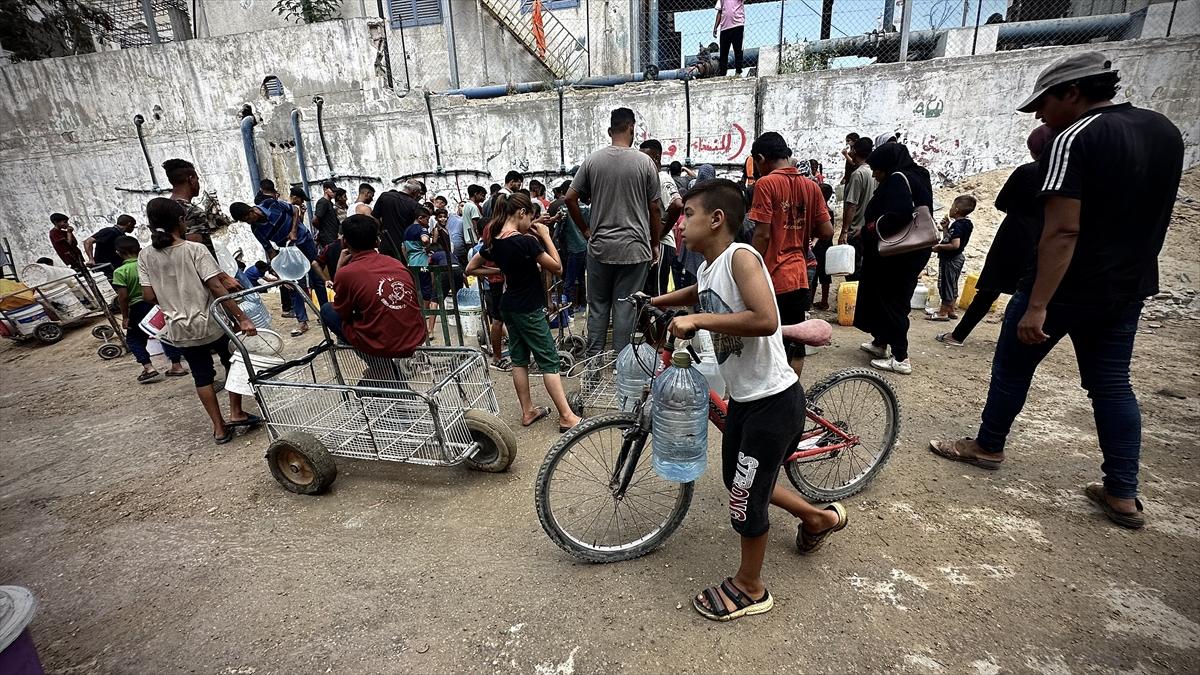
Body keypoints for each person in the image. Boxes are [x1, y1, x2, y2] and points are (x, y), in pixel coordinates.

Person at [929, 52, 1184, 530]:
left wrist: (1039, 304)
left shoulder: (1075, 137)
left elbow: (1063, 230)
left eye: (1042, 104)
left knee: (1010, 368)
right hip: (1126, 287)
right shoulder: (1164, 131)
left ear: (1072, 92)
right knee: (1111, 385)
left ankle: (988, 445)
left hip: (1065, 287)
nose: (1039, 115)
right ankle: (1122, 492)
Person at [649, 179, 848, 622]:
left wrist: (696, 319)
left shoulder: (741, 256)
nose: (680, 225)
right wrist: (658, 301)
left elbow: (764, 317)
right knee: (738, 482)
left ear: (716, 219)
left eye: (688, 215)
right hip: (745, 400)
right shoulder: (707, 268)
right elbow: (697, 295)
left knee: (745, 497)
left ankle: (751, 586)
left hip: (772, 402)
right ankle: (818, 519)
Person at [138, 198, 261, 444]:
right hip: (211, 323)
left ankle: (219, 428)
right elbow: (216, 287)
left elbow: (148, 295)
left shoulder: (145, 255)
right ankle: (235, 412)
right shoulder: (194, 250)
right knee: (232, 362)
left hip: (179, 328)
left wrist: (171, 298)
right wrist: (242, 318)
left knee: (201, 376)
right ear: (181, 221)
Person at [466, 192, 581, 433]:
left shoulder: (495, 240)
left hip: (508, 306)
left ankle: (527, 410)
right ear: (521, 213)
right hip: (528, 309)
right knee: (549, 361)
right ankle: (567, 417)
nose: (532, 222)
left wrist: (501, 269)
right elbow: (557, 267)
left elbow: (471, 268)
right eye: (530, 217)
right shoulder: (526, 242)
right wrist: (547, 237)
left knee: (519, 359)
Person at [937, 126, 1056, 346]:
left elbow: (1001, 202)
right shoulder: (1062, 173)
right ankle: (1025, 341)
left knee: (989, 290)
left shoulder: (1026, 172)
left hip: (1013, 236)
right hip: (1046, 236)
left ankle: (958, 336)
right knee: (1031, 292)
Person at [566, 108, 662, 357]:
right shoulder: (645, 163)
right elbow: (655, 208)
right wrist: (654, 243)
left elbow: (570, 197)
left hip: (600, 248)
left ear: (610, 131)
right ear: (632, 128)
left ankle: (594, 363)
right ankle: (621, 365)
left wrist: (586, 230)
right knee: (625, 308)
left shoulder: (593, 161)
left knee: (597, 306)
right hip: (634, 249)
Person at [747, 132, 833, 377]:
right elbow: (826, 230)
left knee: (769, 341)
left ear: (761, 158)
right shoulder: (811, 186)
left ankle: (773, 395)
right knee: (795, 344)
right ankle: (791, 392)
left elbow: (762, 234)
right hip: (800, 274)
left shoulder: (766, 184)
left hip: (773, 276)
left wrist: (749, 267)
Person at [853, 143, 935, 376]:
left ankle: (901, 357)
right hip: (910, 251)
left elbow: (898, 215)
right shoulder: (918, 175)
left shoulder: (899, 179)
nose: (876, 175)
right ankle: (880, 342)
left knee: (893, 301)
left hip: (899, 254)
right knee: (884, 297)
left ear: (887, 165)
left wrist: (869, 228)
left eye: (878, 170)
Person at [318, 215, 426, 358]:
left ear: (344, 242)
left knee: (327, 309)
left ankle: (382, 368)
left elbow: (342, 311)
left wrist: (339, 269)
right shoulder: (396, 264)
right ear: (377, 241)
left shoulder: (346, 274)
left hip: (383, 345)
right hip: (416, 338)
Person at [229, 198, 321, 336]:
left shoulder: (271, 204)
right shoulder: (256, 229)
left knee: (316, 278)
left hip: (304, 241)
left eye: (247, 218)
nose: (248, 222)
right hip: (288, 252)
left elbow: (295, 210)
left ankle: (323, 313)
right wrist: (281, 275)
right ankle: (302, 321)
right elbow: (270, 250)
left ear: (251, 210)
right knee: (293, 284)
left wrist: (294, 230)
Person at [111, 235, 188, 382]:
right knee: (164, 333)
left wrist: (125, 316)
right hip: (157, 303)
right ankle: (176, 365)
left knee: (134, 339)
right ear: (139, 249)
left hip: (138, 307)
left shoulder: (120, 272)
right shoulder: (149, 265)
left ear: (118, 253)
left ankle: (148, 367)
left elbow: (123, 297)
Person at [640, 139, 684, 296]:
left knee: (659, 295)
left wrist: (661, 234)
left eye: (647, 158)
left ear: (657, 158)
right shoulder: (647, 179)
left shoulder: (662, 178)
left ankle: (663, 322)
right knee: (648, 294)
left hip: (662, 244)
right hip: (652, 244)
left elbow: (677, 204)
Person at [928, 195, 976, 321]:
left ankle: (943, 312)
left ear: (956, 210)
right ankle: (951, 310)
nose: (950, 209)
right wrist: (945, 228)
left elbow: (955, 245)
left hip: (950, 259)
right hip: (958, 258)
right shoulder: (966, 224)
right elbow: (950, 238)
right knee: (952, 284)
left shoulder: (958, 225)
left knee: (945, 285)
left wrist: (939, 247)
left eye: (952, 206)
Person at [839, 137, 877, 279]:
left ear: (854, 151)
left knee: (852, 271)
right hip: (869, 228)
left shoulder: (858, 174)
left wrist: (844, 231)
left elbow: (852, 205)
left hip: (856, 230)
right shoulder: (873, 173)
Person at [373, 180, 421, 259]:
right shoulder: (415, 205)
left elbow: (375, 217)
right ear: (414, 191)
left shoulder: (385, 196)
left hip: (385, 243)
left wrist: (380, 233)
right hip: (404, 247)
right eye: (418, 192)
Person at [811, 183, 836, 310]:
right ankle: (824, 301)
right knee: (825, 275)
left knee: (814, 274)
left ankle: (809, 301)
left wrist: (814, 241)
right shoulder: (830, 211)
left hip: (817, 247)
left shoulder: (819, 211)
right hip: (827, 246)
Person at [713, 0, 746, 76]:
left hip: (737, 24)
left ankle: (738, 72)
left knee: (738, 50)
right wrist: (715, 27)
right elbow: (719, 12)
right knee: (723, 53)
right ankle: (723, 73)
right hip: (725, 27)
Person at [312, 182, 340, 247]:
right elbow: (314, 220)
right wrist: (323, 229)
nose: (334, 193)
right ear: (325, 190)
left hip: (333, 236)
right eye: (332, 190)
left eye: (335, 191)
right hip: (328, 238)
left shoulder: (329, 203)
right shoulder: (323, 202)